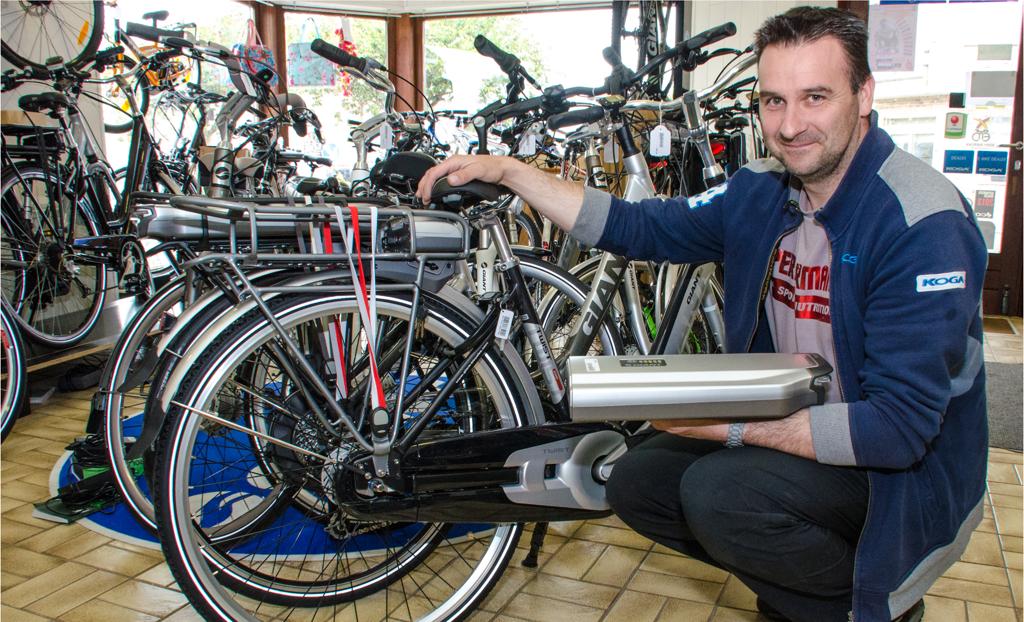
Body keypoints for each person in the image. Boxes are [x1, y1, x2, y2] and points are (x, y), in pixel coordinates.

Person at [416, 7, 988, 622]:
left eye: (815, 97)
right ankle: (802, 589)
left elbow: (898, 431)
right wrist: (512, 173)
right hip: (802, 423)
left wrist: (726, 426)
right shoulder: (760, 189)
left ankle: (871, 603)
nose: (790, 125)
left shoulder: (922, 223)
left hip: (899, 477)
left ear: (864, 95)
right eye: (773, 101)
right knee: (636, 481)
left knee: (722, 495)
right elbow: (640, 226)